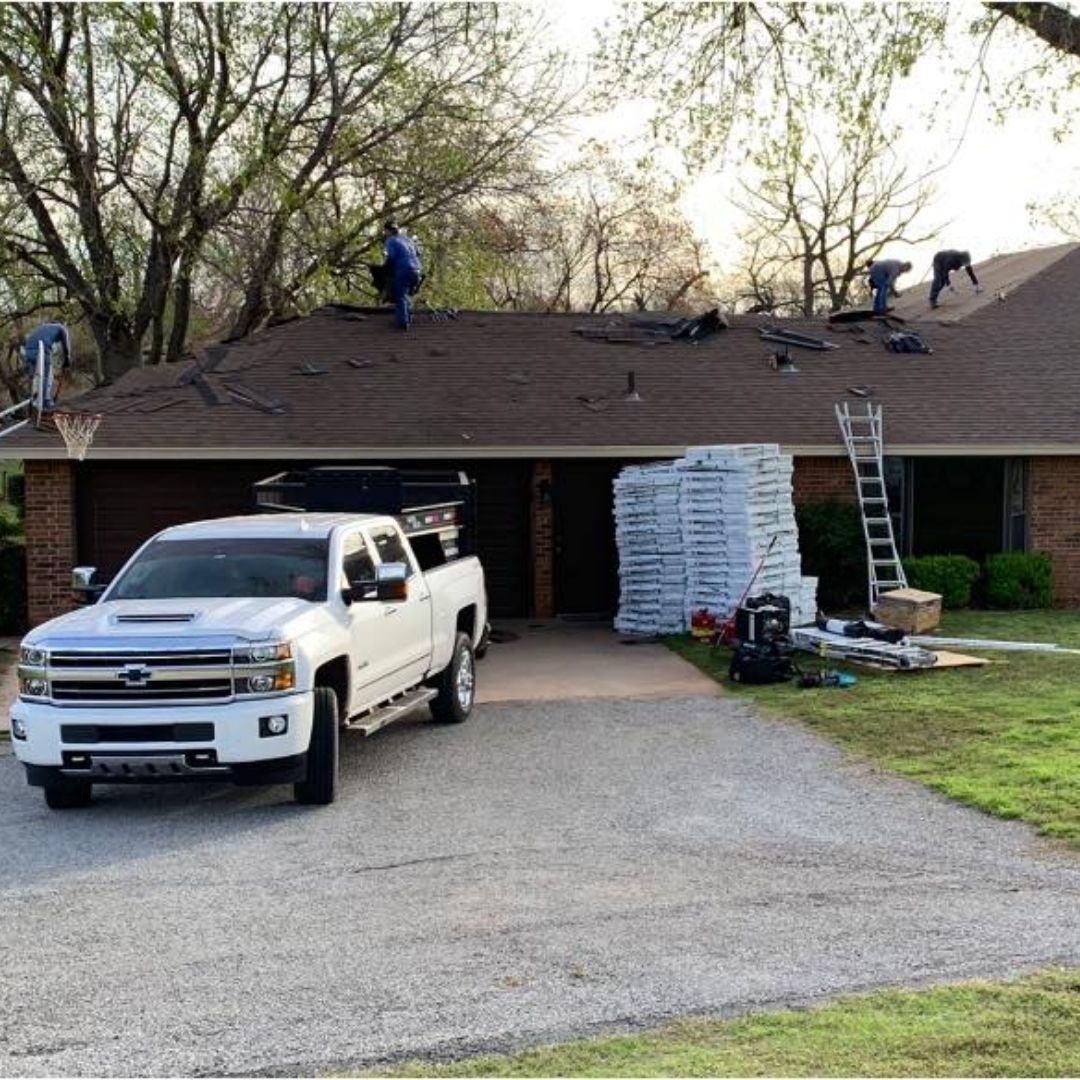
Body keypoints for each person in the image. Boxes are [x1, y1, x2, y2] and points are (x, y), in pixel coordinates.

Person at [22, 322, 73, 409]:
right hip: (40, 350)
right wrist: (67, 358)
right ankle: (45, 402)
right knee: (47, 377)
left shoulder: (43, 328)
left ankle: (35, 403)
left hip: (28, 352)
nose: (57, 341)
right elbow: (65, 341)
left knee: (36, 378)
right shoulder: (61, 328)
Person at [381, 222, 422, 330]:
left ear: (388, 231)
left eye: (385, 231)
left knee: (400, 296)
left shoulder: (391, 240)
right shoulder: (407, 239)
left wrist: (385, 267)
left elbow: (392, 257)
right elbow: (419, 253)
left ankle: (403, 323)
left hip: (404, 270)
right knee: (408, 295)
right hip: (417, 271)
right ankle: (408, 317)